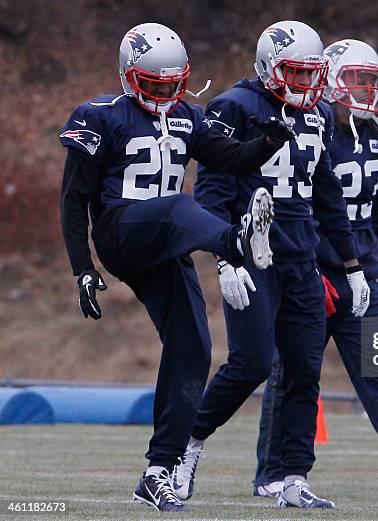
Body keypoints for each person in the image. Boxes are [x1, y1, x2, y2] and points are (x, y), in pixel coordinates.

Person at [59, 22, 294, 512]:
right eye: (155, 85)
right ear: (129, 76)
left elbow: (228, 159)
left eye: (173, 84)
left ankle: (157, 471)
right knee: (177, 204)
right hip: (121, 232)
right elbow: (74, 199)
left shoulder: (188, 115)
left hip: (165, 243)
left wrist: (271, 139)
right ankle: (235, 242)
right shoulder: (101, 116)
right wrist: (82, 268)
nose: (166, 95)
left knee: (193, 350)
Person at [171, 21, 370, 509]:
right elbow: (214, 193)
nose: (306, 85)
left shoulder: (320, 114)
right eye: (295, 74)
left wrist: (352, 265)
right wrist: (224, 259)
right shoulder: (236, 107)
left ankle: (293, 476)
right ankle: (184, 447)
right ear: (267, 67)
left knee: (304, 371)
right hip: (251, 256)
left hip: (302, 258)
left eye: (312, 75)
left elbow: (327, 197)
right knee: (251, 363)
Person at [251, 39, 378, 501]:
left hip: (362, 274)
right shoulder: (313, 130)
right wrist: (306, 265)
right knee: (292, 373)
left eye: (372, 80)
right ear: (329, 81)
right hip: (315, 269)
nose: (366, 90)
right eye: (356, 79)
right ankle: (271, 473)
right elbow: (297, 205)